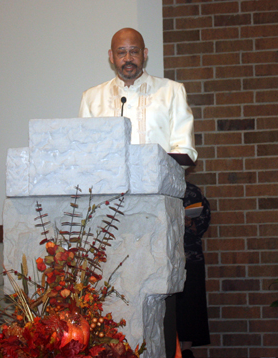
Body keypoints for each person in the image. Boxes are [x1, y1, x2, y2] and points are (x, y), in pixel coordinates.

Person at [79, 27, 198, 163]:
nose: (128, 58)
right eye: (121, 53)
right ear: (111, 56)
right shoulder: (91, 98)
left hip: (158, 182)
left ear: (145, 54)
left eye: (134, 52)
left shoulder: (172, 91)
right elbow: (85, 150)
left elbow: (184, 148)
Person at [176, 182, 211, 358]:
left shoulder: (193, 191)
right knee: (171, 307)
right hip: (167, 258)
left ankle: (186, 350)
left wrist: (189, 223)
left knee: (191, 305)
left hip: (191, 257)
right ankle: (172, 347)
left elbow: (203, 225)